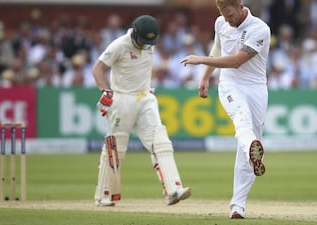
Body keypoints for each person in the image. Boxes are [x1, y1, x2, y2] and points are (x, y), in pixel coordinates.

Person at [181, 0, 270, 219]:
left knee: (246, 145)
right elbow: (217, 48)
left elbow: (237, 61)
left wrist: (200, 61)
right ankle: (253, 148)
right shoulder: (221, 22)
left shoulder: (260, 29)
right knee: (242, 121)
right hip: (229, 84)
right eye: (223, 14)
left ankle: (238, 206)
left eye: (230, 15)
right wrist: (205, 77)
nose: (227, 20)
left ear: (240, 6)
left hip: (256, 87)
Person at [92, 15, 191, 207]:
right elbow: (97, 69)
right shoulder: (119, 45)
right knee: (115, 148)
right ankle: (103, 194)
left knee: (161, 142)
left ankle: (173, 190)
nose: (146, 45)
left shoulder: (148, 42)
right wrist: (105, 91)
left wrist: (146, 86)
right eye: (143, 40)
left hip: (145, 98)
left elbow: (142, 68)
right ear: (135, 33)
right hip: (122, 100)